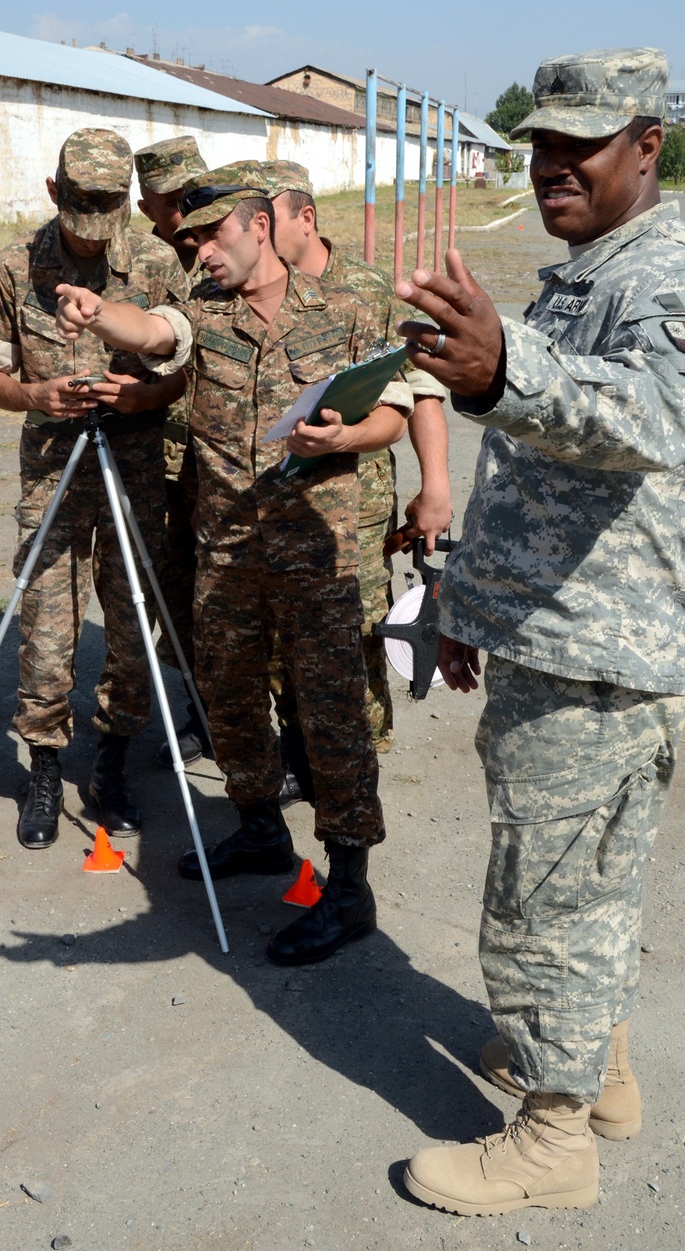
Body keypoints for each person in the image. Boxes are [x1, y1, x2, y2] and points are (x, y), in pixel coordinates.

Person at [393, 48, 685, 1215]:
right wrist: (475, 599)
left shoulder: (674, 274)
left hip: (603, 649)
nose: (549, 167)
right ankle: (600, 1075)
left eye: (578, 145)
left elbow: (656, 416)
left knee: (544, 893)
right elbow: (543, 469)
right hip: (558, 630)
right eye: (538, 144)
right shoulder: (589, 271)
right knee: (589, 880)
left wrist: (504, 368)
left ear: (648, 144)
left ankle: (549, 1140)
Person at [55, 162, 415, 965]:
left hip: (317, 559)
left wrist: (343, 439)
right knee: (232, 705)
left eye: (212, 234)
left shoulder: (351, 306)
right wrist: (97, 314)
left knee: (332, 720)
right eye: (190, 237)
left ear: (260, 226)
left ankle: (349, 887)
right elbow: (153, 333)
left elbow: (395, 409)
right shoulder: (201, 312)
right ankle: (259, 832)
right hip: (226, 554)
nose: (200, 250)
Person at [0, 128, 189, 848]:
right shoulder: (14, 268)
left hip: (135, 470)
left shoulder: (159, 263)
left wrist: (142, 398)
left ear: (129, 202)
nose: (95, 237)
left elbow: (186, 370)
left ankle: (113, 763)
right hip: (53, 473)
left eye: (110, 215)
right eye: (80, 216)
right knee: (45, 629)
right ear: (52, 194)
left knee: (132, 628)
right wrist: (37, 393)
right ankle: (42, 767)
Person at [262, 159, 452, 794]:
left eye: (270, 220)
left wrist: (436, 489)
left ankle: (356, 768)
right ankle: (299, 758)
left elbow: (423, 393)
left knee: (359, 630)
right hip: (281, 501)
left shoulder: (369, 291)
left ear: (305, 218)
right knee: (284, 635)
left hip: (360, 500)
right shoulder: (260, 292)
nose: (256, 235)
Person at [133, 135, 214, 765]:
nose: (186, 212)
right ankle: (199, 712)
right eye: (172, 202)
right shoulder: (138, 264)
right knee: (175, 584)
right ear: (145, 207)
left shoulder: (228, 248)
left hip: (218, 450)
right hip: (161, 452)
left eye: (195, 194)